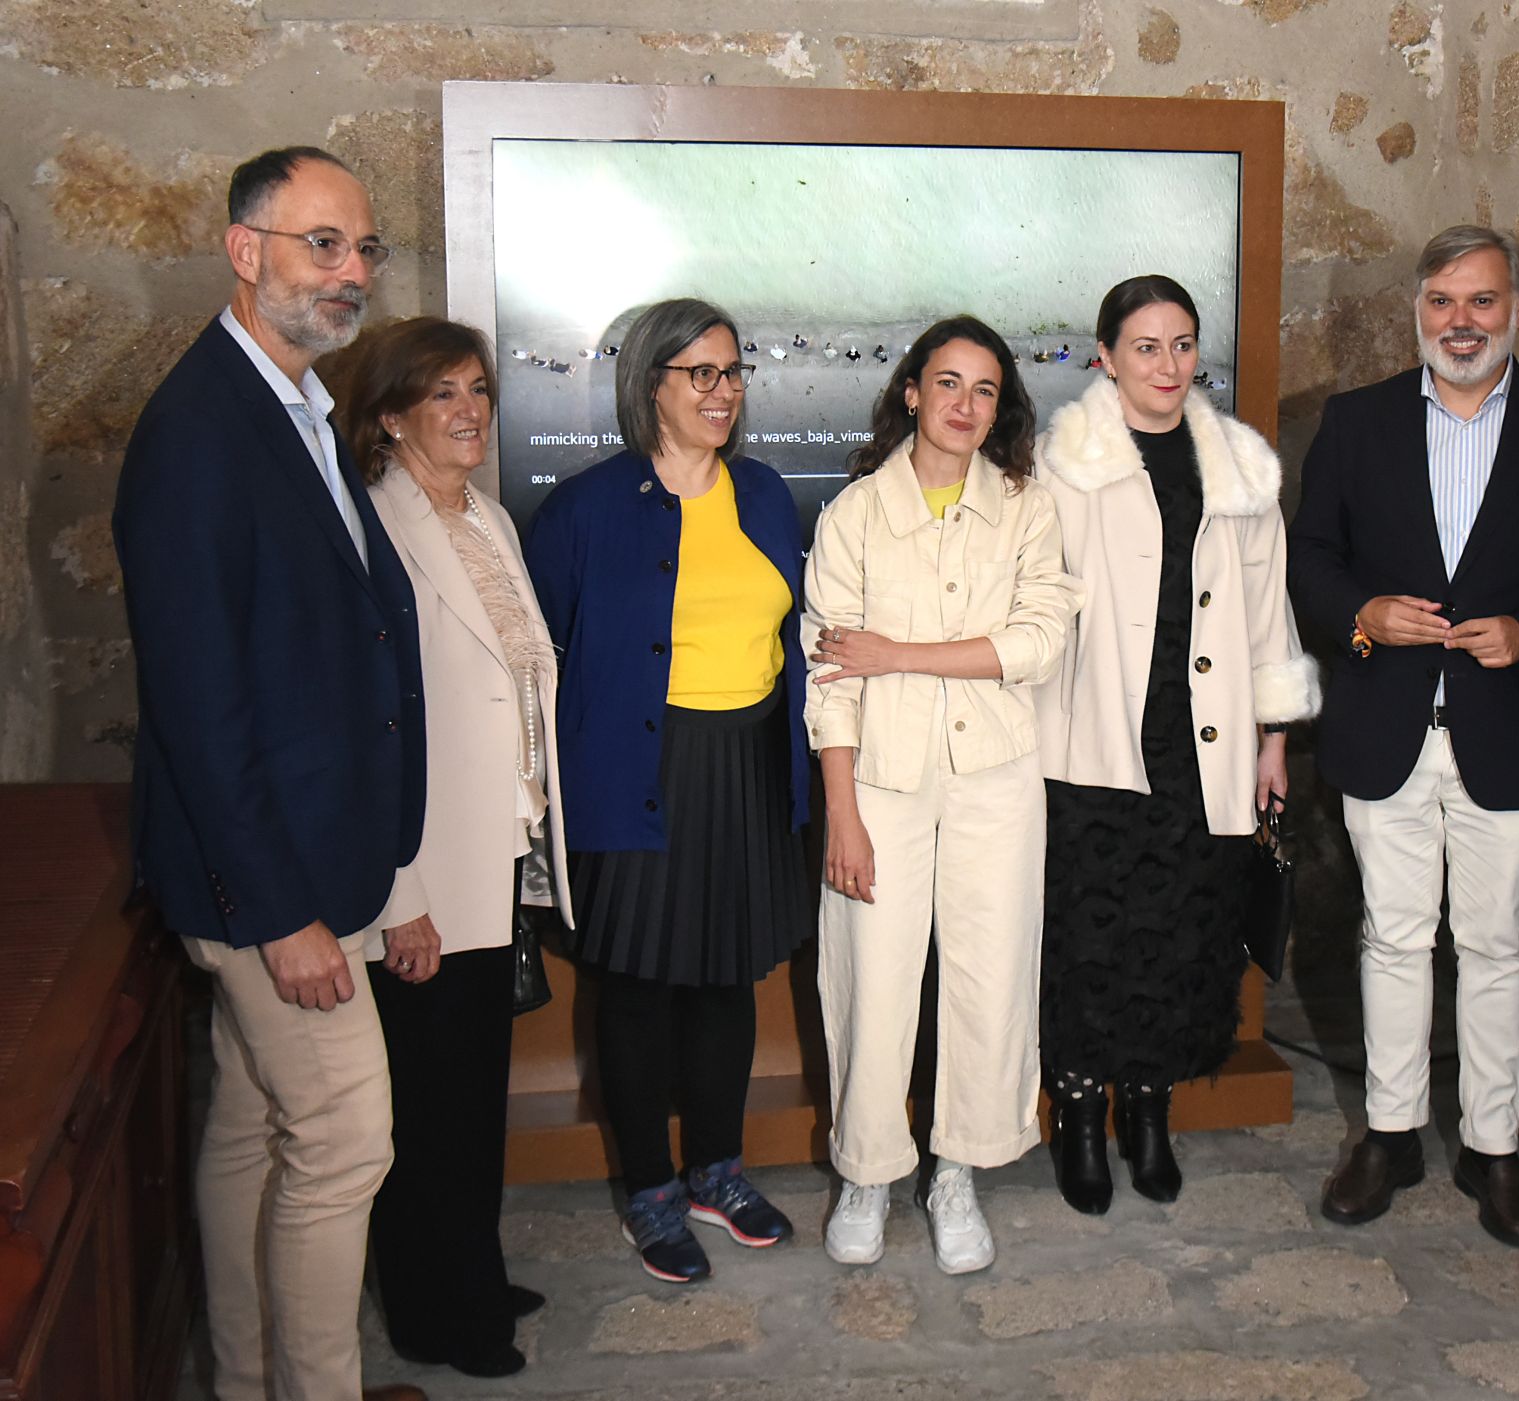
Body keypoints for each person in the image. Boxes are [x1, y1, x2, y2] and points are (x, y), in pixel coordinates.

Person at [112, 147, 428, 1401]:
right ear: (244, 252)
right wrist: (283, 911)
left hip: (319, 858)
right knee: (348, 1142)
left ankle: (244, 1383)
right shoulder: (199, 431)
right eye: (320, 245)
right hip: (269, 885)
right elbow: (199, 707)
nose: (349, 273)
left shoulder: (296, 403)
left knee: (253, 1127)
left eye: (364, 249)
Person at [1288, 225, 1519, 1249]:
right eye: (1443, 302)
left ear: (1518, 309)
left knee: (1492, 944)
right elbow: (1309, 557)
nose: (1462, 322)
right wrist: (1361, 618)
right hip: (1384, 721)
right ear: (1419, 312)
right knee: (1391, 937)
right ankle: (1390, 1136)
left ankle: (1493, 1147)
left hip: (1506, 730)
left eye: (1482, 302)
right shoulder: (1357, 423)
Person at [524, 298, 809, 1285]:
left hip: (747, 764)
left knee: (728, 978)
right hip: (637, 766)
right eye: (702, 374)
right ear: (650, 385)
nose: (723, 391)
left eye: (734, 372)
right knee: (640, 989)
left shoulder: (767, 494)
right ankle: (649, 1188)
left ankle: (716, 1172)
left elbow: (794, 637)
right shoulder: (583, 509)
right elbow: (540, 659)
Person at [1033, 274, 1320, 1214]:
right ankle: (1080, 1113)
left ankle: (1147, 1112)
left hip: (1207, 746)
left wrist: (1275, 738)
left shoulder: (1239, 464)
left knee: (1183, 932)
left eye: (1184, 343)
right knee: (1089, 936)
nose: (1168, 364)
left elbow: (1270, 612)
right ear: (1105, 355)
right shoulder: (1061, 462)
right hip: (1091, 743)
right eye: (1147, 346)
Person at [805, 316, 1080, 1273]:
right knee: (873, 976)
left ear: (1000, 409)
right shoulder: (854, 515)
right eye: (949, 383)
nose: (965, 405)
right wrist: (842, 812)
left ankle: (957, 1171)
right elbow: (832, 681)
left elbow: (1038, 644)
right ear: (913, 392)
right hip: (878, 783)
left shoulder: (1026, 509)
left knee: (990, 978)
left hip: (996, 782)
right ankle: (869, 1170)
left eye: (986, 390)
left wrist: (901, 655)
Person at [340, 317, 572, 1376]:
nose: (469, 408)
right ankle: (438, 1313)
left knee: (471, 1090)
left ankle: (468, 1265)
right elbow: (364, 729)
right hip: (424, 874)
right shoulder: (372, 531)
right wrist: (402, 897)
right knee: (425, 1110)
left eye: (477, 388)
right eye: (441, 393)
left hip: (496, 854)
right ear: (390, 417)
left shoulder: (486, 520)